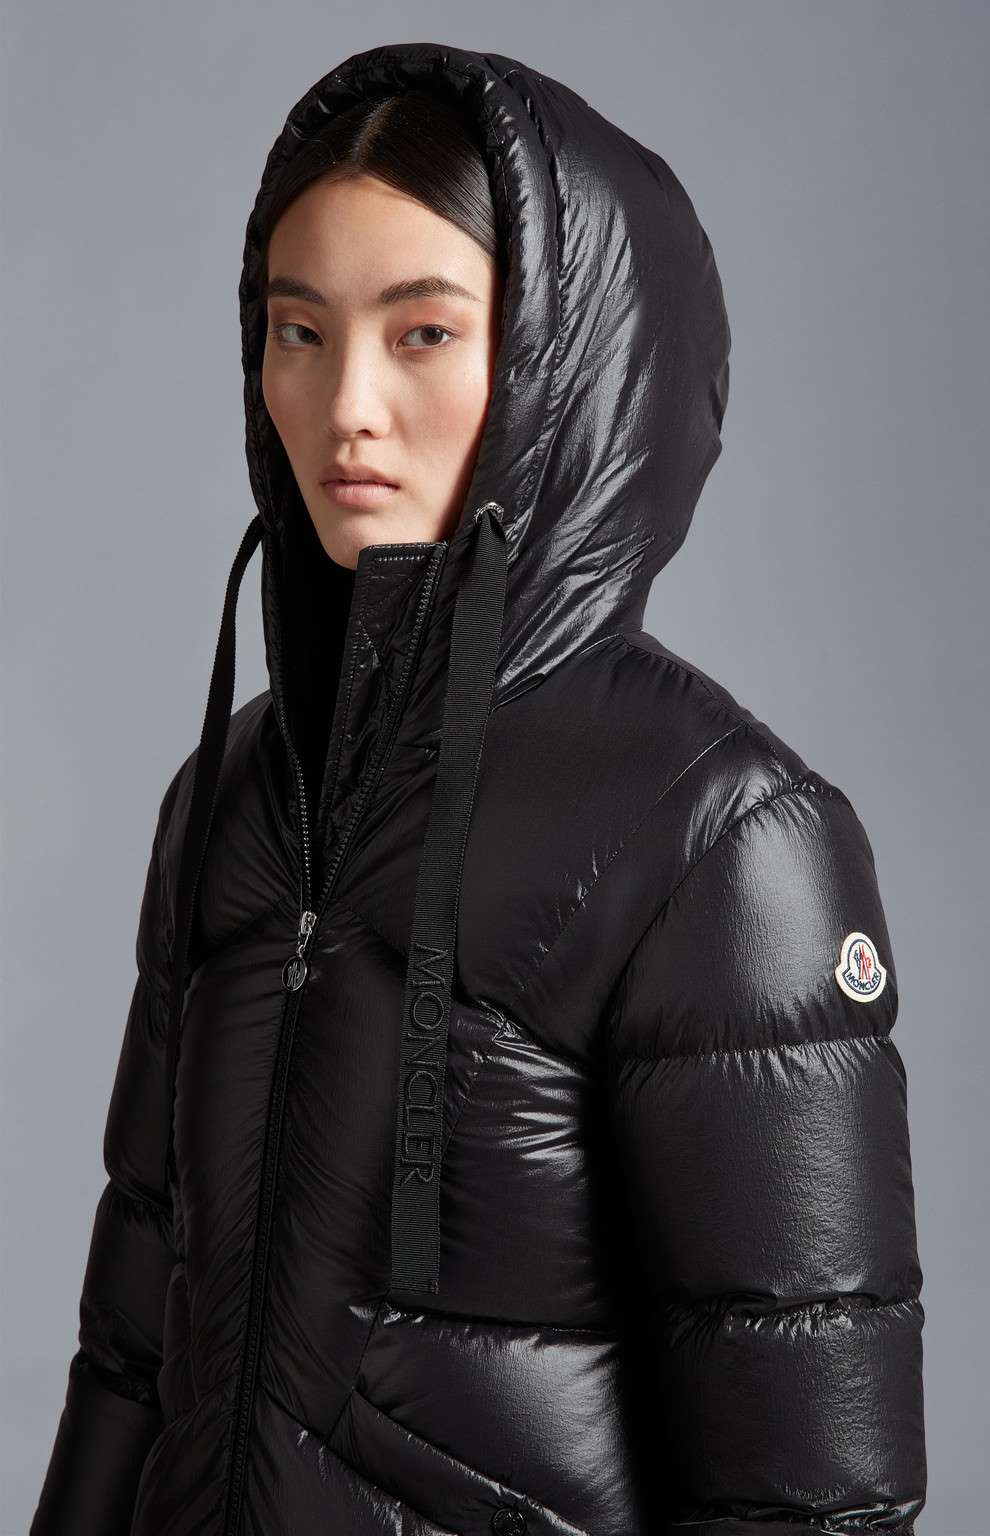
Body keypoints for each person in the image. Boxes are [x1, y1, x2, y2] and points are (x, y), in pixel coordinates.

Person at [31, 41, 927, 1536]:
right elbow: (130, 1351)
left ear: (564, 368)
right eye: (298, 331)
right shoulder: (231, 792)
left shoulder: (723, 835)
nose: (346, 405)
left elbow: (810, 1496)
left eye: (425, 332)